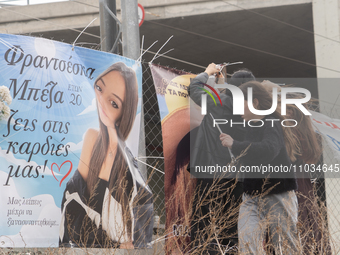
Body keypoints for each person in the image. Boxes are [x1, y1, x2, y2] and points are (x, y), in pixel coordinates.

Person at [59, 62, 153, 249]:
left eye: (114, 103)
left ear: (124, 112)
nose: (101, 100)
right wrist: (111, 245)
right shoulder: (92, 138)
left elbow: (140, 225)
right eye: (100, 88)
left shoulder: (127, 165)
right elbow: (72, 205)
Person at [220, 81, 300, 254]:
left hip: (278, 193)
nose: (238, 110)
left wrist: (235, 144)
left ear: (255, 103)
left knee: (284, 247)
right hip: (252, 196)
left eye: (241, 104)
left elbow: (269, 149)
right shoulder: (251, 126)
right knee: (248, 241)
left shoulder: (272, 122)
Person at [187, 63, 255, 254]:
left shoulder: (218, 101)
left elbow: (194, 89)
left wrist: (207, 73)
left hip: (211, 171)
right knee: (231, 225)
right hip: (238, 176)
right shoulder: (253, 112)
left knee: (203, 221)